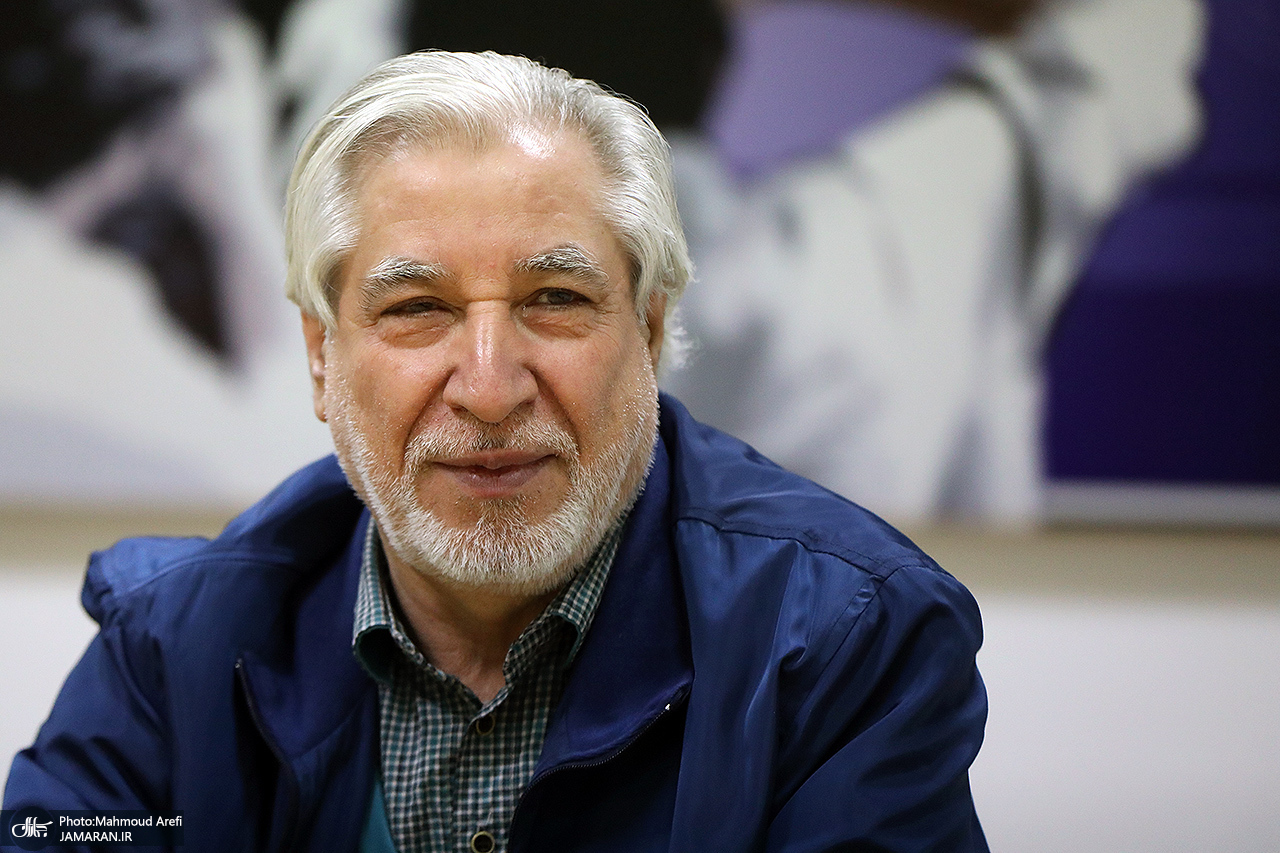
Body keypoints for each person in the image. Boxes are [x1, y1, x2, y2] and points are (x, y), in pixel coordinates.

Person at [4, 52, 988, 852]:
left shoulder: (847, 640)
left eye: (554, 299)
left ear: (649, 334)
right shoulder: (171, 647)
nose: (486, 386)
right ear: (320, 359)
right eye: (416, 307)